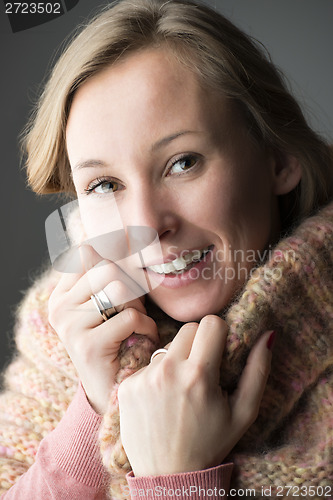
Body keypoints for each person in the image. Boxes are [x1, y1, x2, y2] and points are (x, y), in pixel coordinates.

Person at [1, 0, 333, 498]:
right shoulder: (58, 342)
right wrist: (92, 407)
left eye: (182, 163)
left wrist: (176, 482)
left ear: (279, 157)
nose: (148, 226)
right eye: (104, 185)